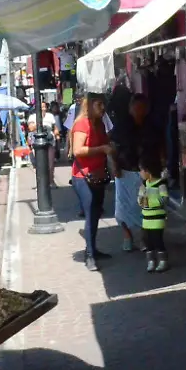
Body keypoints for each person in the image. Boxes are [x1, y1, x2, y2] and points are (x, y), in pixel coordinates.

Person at [71, 93, 114, 272]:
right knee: (90, 214)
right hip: (83, 177)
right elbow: (77, 150)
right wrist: (102, 148)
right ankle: (89, 255)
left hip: (97, 175)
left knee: (96, 213)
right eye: (99, 104)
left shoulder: (100, 124)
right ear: (89, 105)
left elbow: (106, 144)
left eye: (103, 104)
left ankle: (93, 249)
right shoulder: (82, 124)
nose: (103, 108)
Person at [111, 94, 155, 252]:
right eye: (135, 107)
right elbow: (113, 146)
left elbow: (157, 146)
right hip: (125, 170)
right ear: (130, 108)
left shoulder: (150, 125)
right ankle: (128, 236)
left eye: (141, 108)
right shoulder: (122, 126)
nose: (138, 111)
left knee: (144, 206)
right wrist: (114, 166)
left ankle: (143, 238)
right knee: (122, 208)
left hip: (146, 171)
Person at [139, 152, 169, 273]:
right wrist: (141, 200)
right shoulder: (144, 184)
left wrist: (151, 201)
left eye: (141, 170)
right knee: (147, 241)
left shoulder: (160, 185)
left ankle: (163, 261)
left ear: (148, 171)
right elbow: (139, 198)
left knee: (157, 239)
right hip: (146, 219)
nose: (140, 173)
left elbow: (164, 199)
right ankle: (150, 261)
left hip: (157, 219)